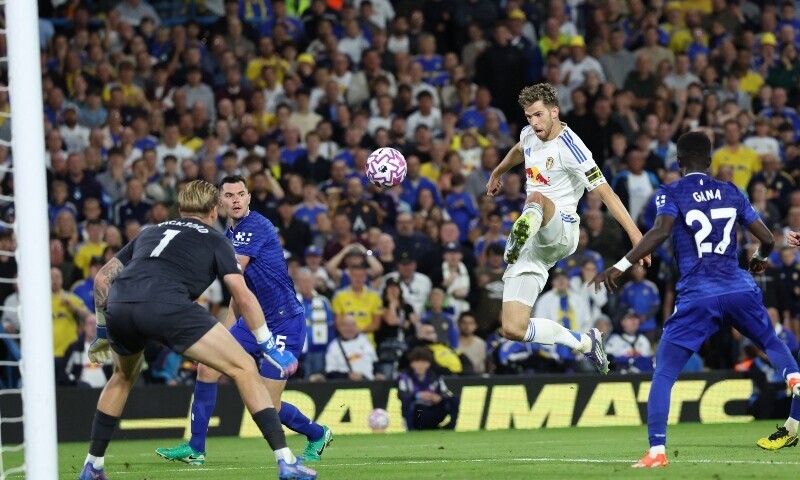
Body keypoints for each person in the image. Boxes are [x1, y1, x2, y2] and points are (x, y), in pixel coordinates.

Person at [78, 180, 316, 480]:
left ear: (180, 210)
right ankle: (286, 462)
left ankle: (93, 465)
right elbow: (242, 295)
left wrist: (102, 331)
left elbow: (102, 279)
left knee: (122, 377)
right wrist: (268, 346)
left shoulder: (150, 232)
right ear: (214, 210)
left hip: (120, 305)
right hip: (168, 306)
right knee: (244, 368)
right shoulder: (218, 241)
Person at [591, 132, 800, 468]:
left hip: (698, 295)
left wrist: (620, 265)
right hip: (737, 287)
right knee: (771, 342)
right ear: (711, 160)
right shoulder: (733, 191)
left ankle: (657, 452)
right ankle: (795, 379)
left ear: (678, 162)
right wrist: (760, 257)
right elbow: (767, 239)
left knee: (665, 371)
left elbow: (660, 231)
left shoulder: (672, 191)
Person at [156, 176, 332, 465]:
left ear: (249, 198)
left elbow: (235, 270)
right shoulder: (229, 235)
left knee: (267, 406)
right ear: (220, 202)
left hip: (284, 323)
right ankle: (196, 448)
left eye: (241, 194)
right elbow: (238, 294)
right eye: (229, 195)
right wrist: (223, 334)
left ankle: (317, 433)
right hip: (252, 321)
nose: (236, 199)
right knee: (206, 368)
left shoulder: (257, 226)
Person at [485, 83, 647, 375]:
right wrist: (498, 171)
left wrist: (636, 235)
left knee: (536, 198)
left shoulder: (572, 147)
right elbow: (519, 150)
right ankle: (585, 342)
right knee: (512, 327)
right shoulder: (528, 135)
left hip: (562, 229)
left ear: (554, 111)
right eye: (528, 117)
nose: (533, 123)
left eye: (538, 115)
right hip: (535, 245)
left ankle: (515, 238)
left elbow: (607, 193)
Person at [397, 346, 460, 430]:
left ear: (429, 363)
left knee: (455, 399)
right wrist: (418, 395)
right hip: (417, 412)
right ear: (411, 363)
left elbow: (446, 393)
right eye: (417, 361)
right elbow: (402, 395)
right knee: (407, 401)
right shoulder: (405, 377)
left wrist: (439, 397)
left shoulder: (435, 377)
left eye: (424, 362)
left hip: (433, 409)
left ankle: (451, 427)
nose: (420, 365)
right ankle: (410, 429)